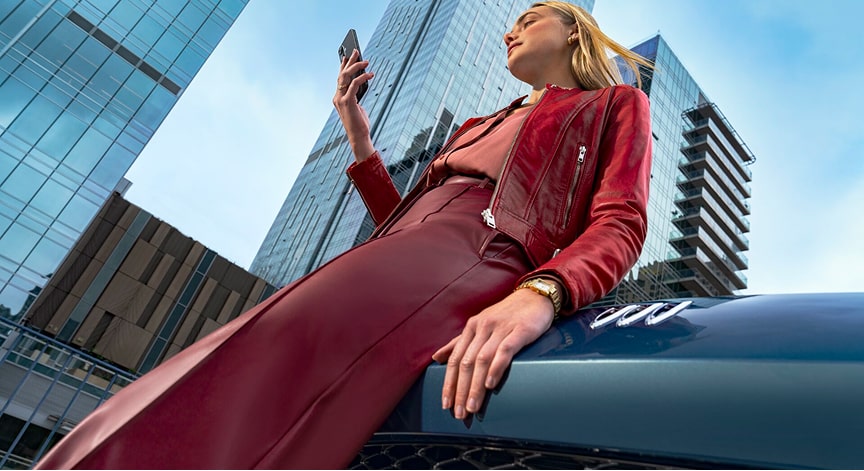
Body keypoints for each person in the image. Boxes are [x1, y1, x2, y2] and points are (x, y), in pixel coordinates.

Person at [35, 2, 653, 469]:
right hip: (405, 247)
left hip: (479, 253)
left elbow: (621, 221)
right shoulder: (478, 122)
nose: (508, 31)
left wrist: (541, 293)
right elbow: (399, 218)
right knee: (252, 347)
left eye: (527, 17)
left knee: (276, 346)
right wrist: (356, 129)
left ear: (572, 27)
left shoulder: (614, 105)